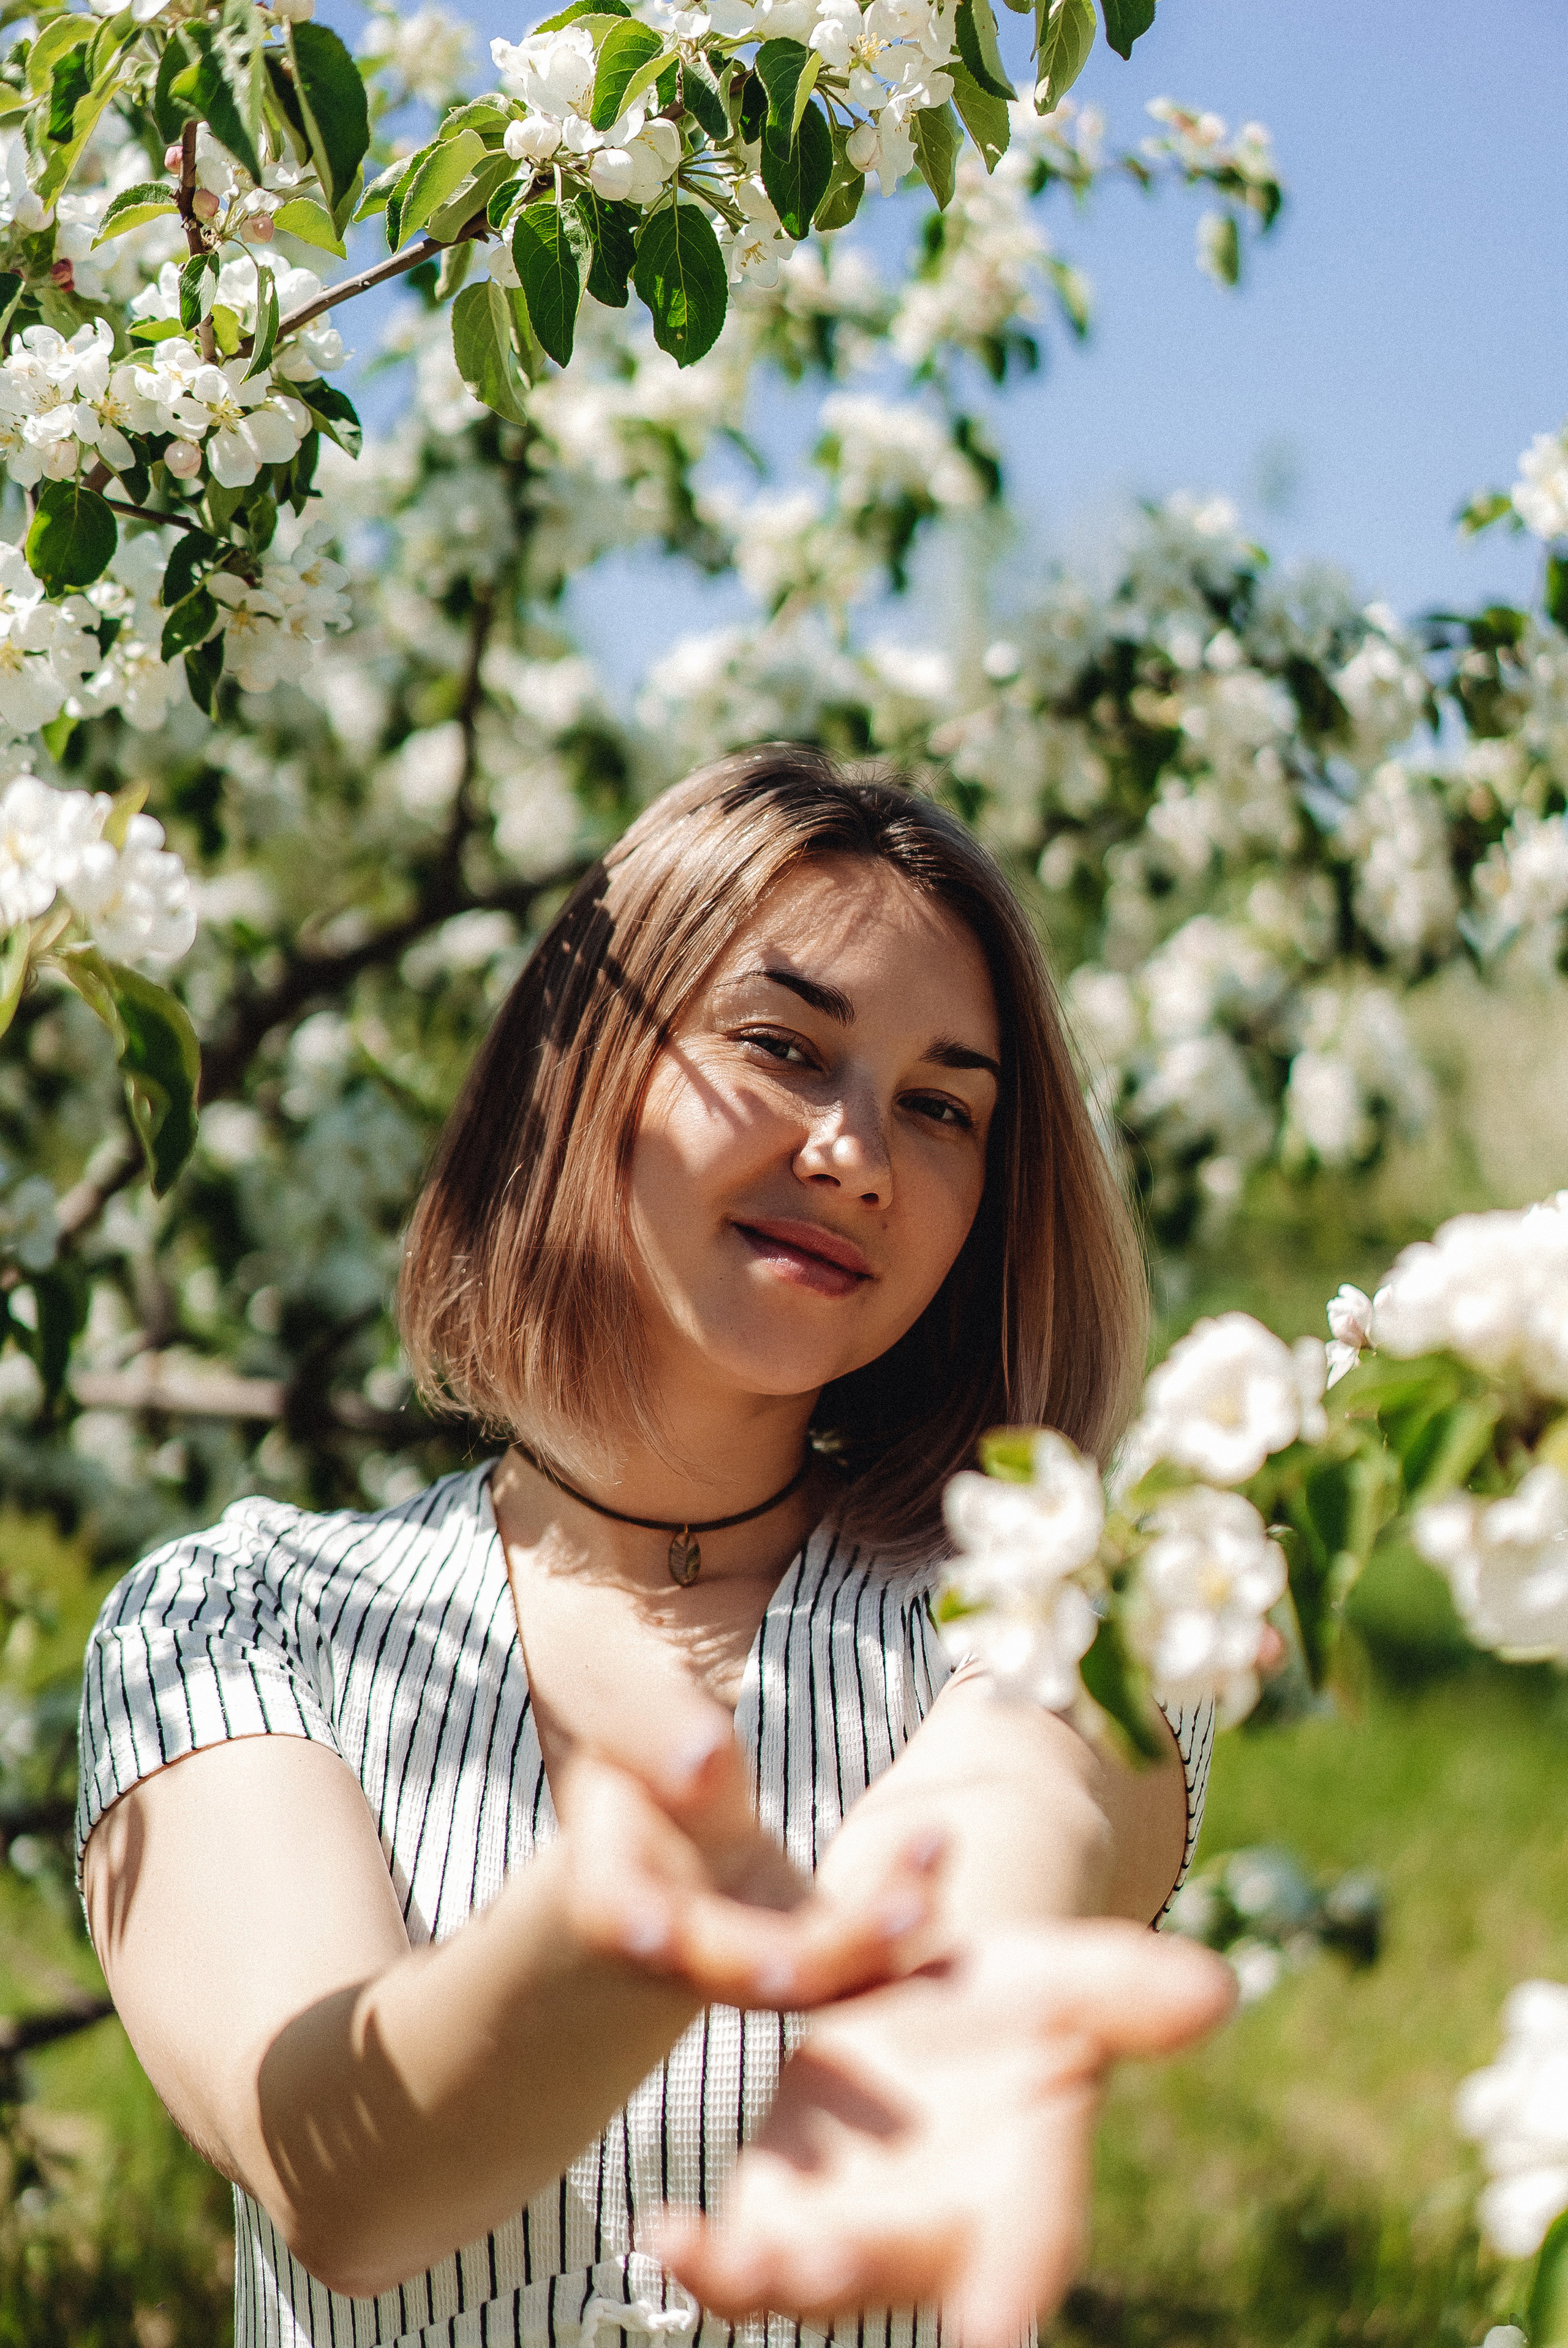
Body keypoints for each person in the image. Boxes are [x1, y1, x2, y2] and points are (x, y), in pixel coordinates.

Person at [75, 746, 1234, 2348]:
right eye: (783, 1046)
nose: (857, 1154)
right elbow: (336, 2168)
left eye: (941, 1106)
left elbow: (1017, 1790)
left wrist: (938, 1982)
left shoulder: (1052, 1591)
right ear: (577, 1063)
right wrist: (607, 1936)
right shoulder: (239, 1619)